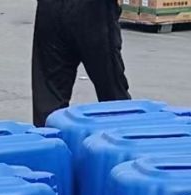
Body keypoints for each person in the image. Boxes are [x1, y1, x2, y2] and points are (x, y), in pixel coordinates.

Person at [32, 0, 131, 128]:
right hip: (93, 10)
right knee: (113, 93)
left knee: (50, 97)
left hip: (51, 7)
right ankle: (123, 133)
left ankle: (47, 136)